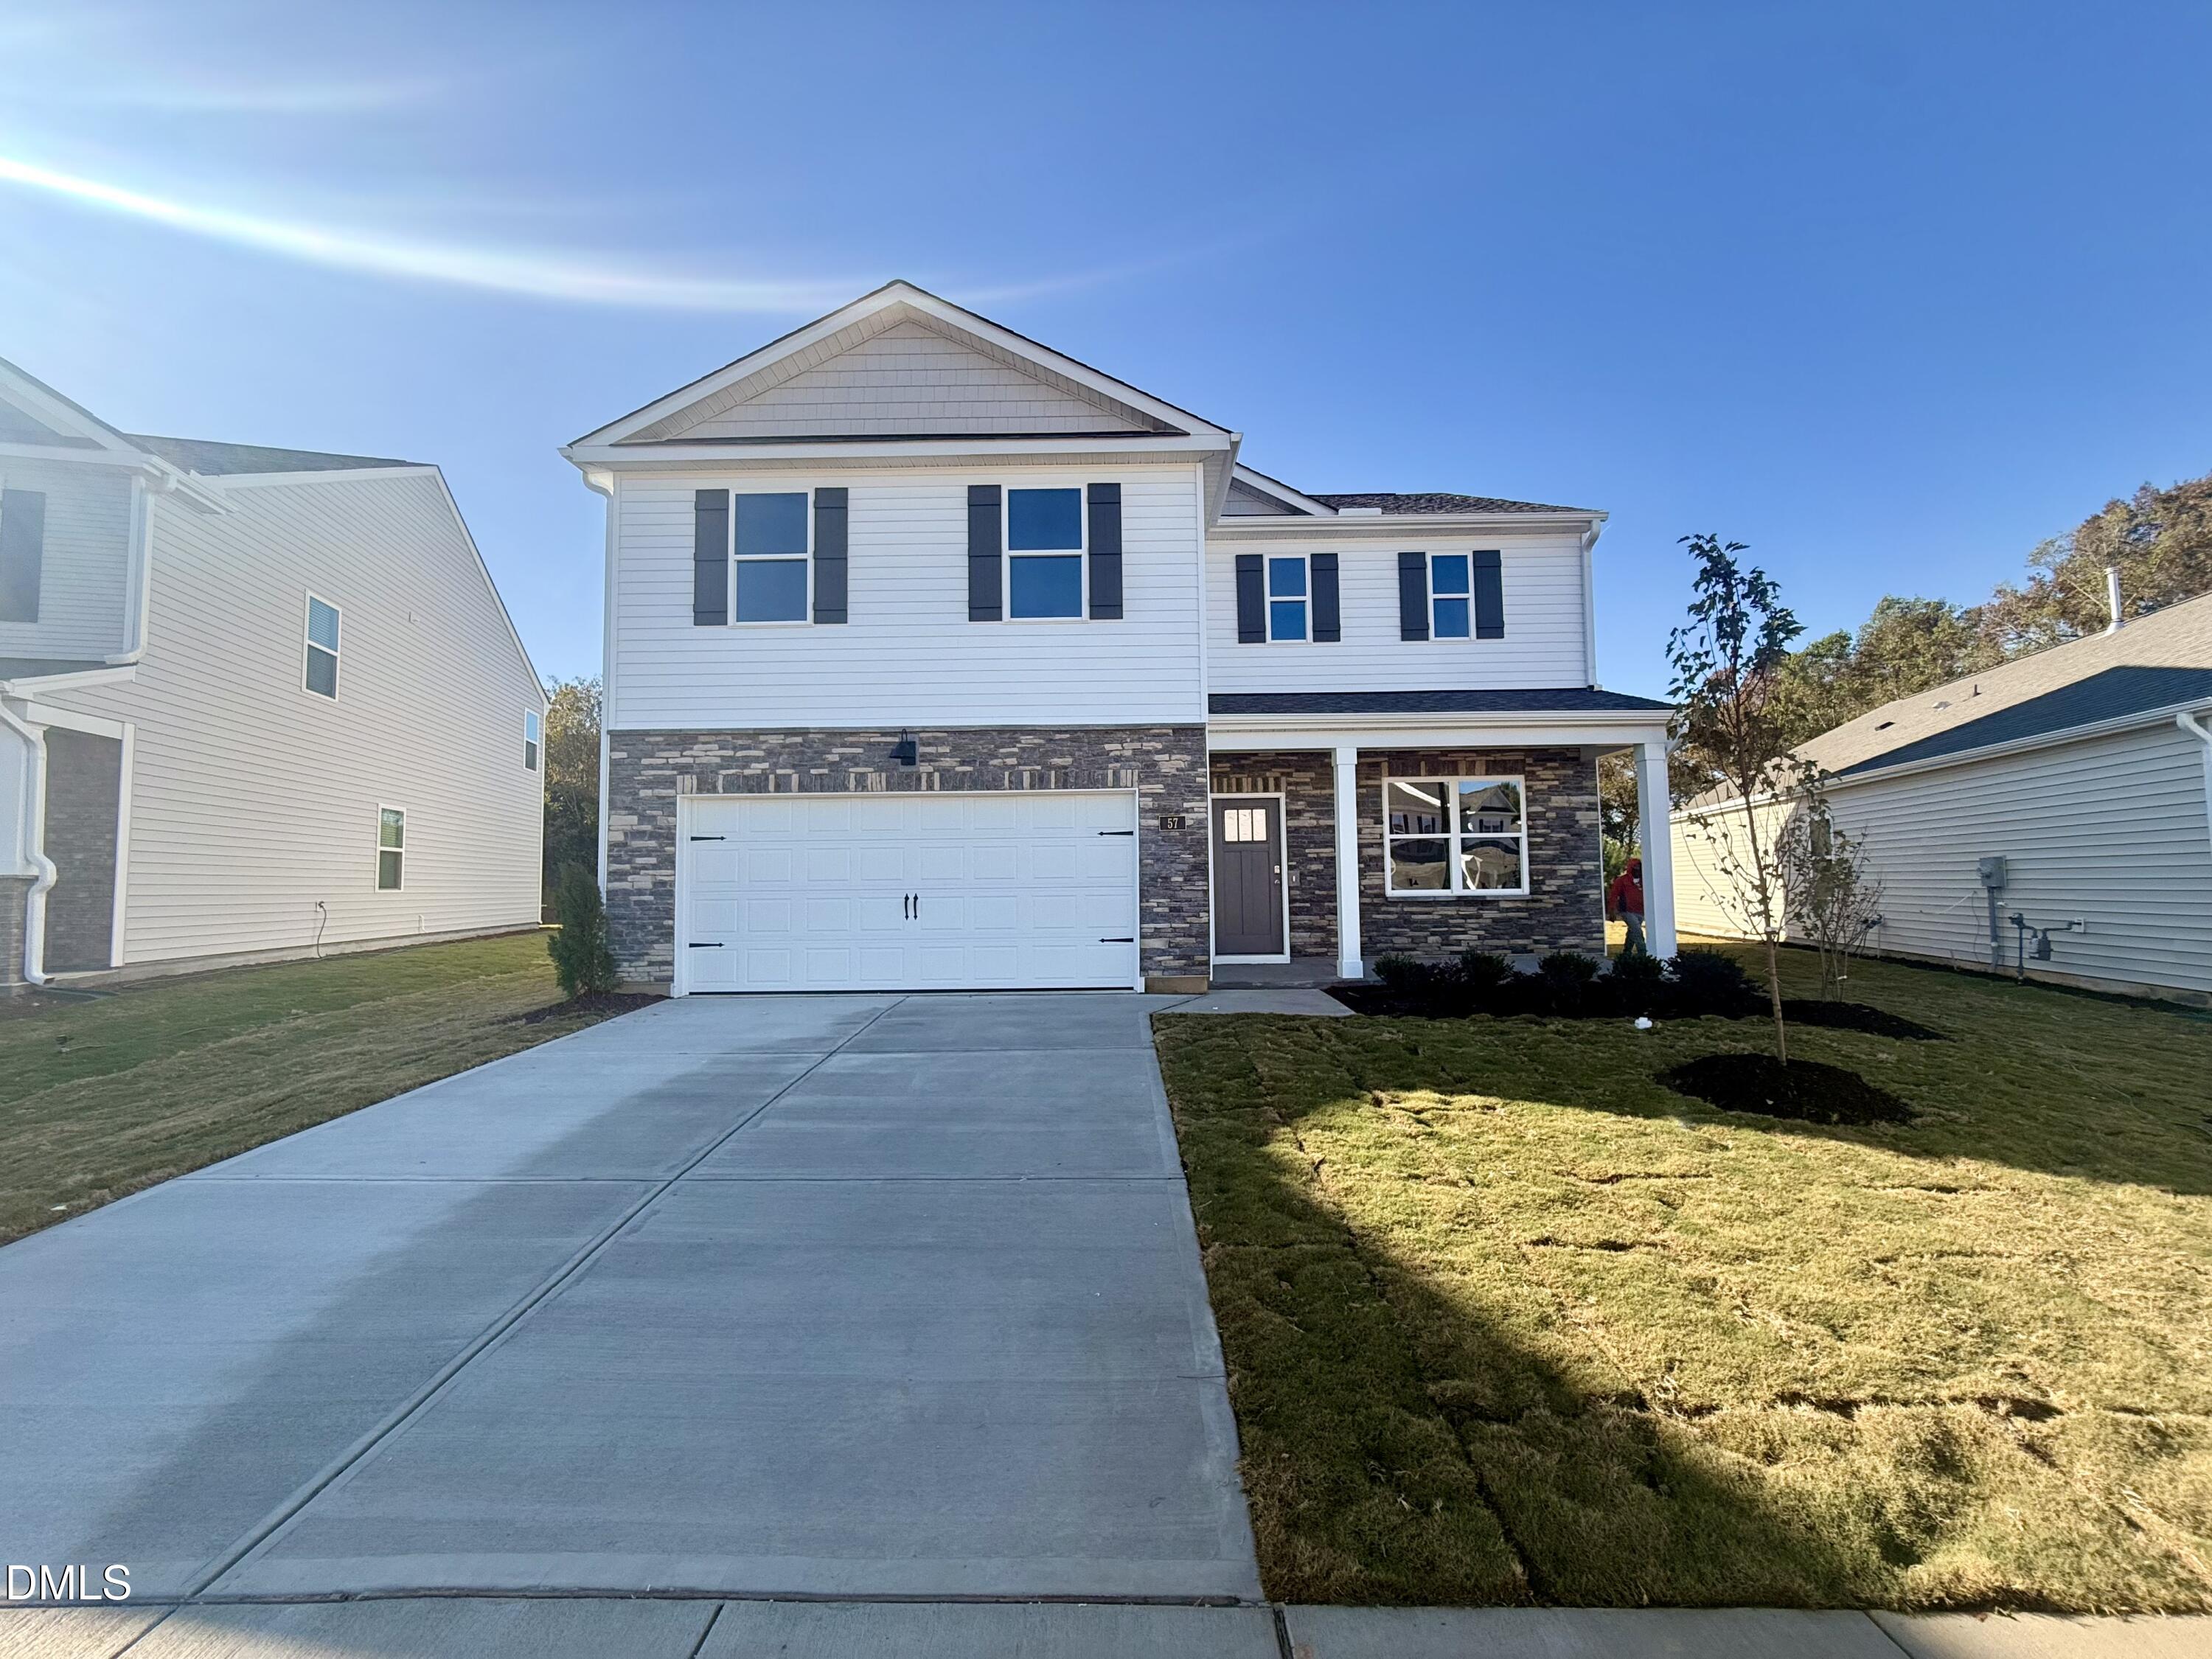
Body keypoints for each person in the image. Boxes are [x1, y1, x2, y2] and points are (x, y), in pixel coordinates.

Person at [1607, 855, 1646, 956]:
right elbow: (1614, 895)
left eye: (1639, 868)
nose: (1638, 870)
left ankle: (1626, 953)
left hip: (1641, 910)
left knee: (1632, 932)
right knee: (1637, 930)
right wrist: (1612, 911)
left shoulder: (1645, 880)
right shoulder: (1622, 880)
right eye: (1636, 868)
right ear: (1631, 868)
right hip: (1627, 911)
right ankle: (1643, 953)